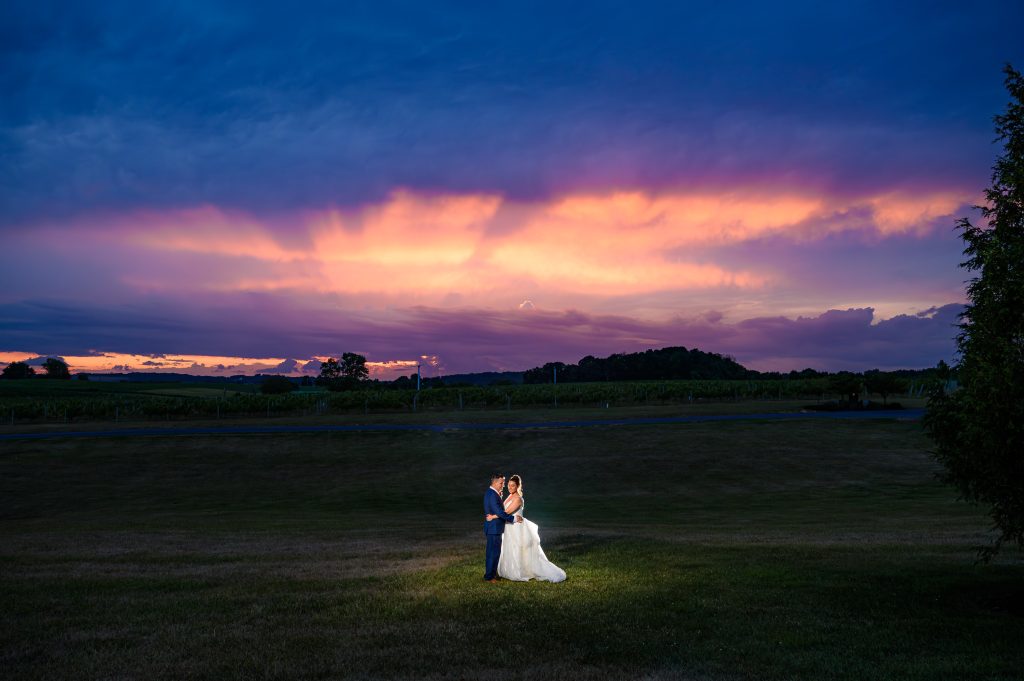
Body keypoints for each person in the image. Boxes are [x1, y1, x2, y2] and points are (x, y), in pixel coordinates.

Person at [489, 474, 566, 582]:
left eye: (513, 486)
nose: (510, 488)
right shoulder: (509, 496)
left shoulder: (518, 499)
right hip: (509, 526)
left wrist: (493, 516)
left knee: (518, 548)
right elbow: (503, 508)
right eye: (509, 485)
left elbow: (506, 512)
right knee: (509, 547)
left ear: (518, 486)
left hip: (516, 527)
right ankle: (508, 570)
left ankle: (520, 571)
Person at [483, 473, 521, 582]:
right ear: (495, 483)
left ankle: (492, 574)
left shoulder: (492, 493)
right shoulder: (492, 494)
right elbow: (499, 512)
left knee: (494, 552)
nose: (503, 485)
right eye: (501, 483)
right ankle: (489, 577)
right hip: (493, 528)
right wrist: (513, 519)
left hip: (494, 527)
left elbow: (498, 510)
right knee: (492, 553)